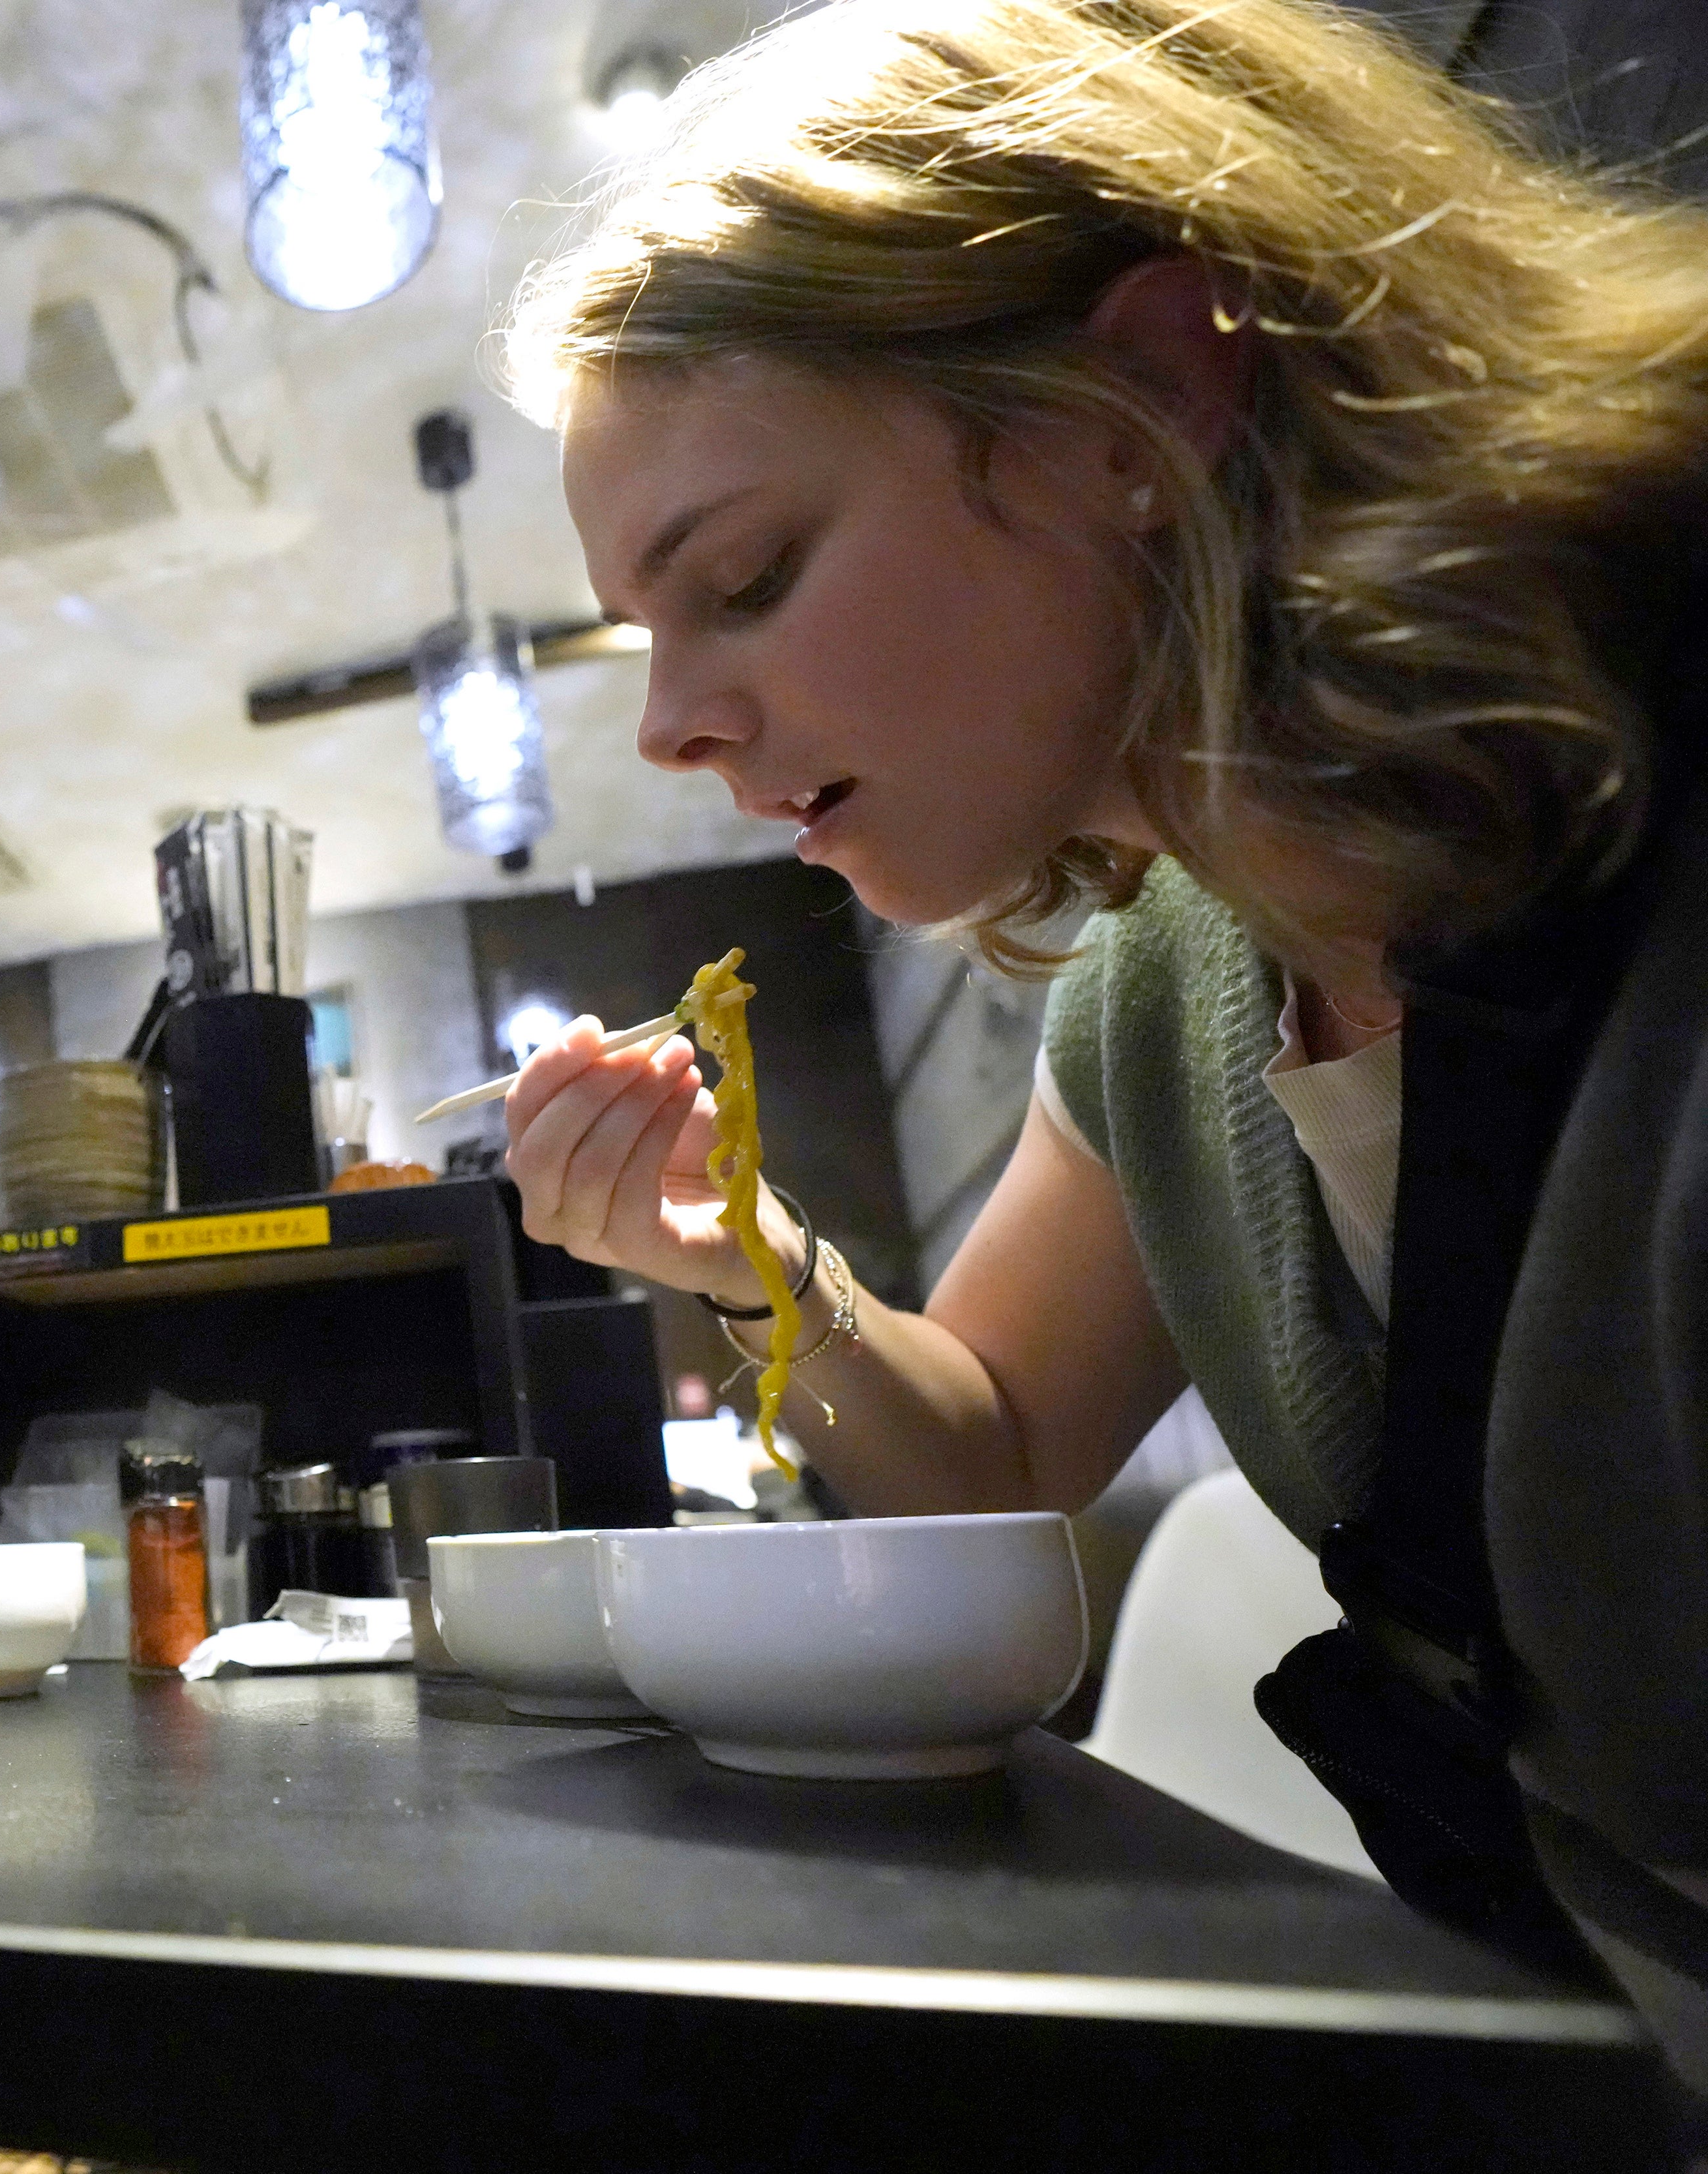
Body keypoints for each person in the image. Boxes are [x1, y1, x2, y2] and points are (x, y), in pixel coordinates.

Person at [490, 0, 1708, 2093]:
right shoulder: (1170, 982)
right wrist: (744, 1252)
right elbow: (991, 1458)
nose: (667, 724)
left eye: (747, 578)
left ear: (1134, 405)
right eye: (643, 629)